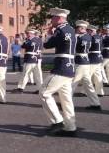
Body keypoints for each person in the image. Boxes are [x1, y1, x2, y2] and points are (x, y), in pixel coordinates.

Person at [39, 8, 77, 137]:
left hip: (61, 67)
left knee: (44, 92)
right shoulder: (71, 29)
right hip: (70, 67)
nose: (51, 20)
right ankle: (70, 127)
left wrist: (49, 33)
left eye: (53, 18)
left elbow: (47, 45)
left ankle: (57, 121)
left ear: (59, 18)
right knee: (66, 99)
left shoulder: (60, 30)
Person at [72, 20, 101, 110]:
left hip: (80, 61)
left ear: (80, 28)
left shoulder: (79, 37)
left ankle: (64, 102)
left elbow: (73, 44)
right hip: (86, 61)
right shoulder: (88, 37)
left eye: (76, 29)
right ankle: (96, 103)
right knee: (88, 84)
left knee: (72, 82)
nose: (75, 30)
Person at [12, 28, 42, 94]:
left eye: (28, 33)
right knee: (38, 76)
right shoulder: (38, 40)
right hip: (36, 59)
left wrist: (23, 40)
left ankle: (20, 88)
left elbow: (23, 46)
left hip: (29, 59)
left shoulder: (29, 40)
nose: (27, 35)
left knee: (25, 74)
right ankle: (40, 89)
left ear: (31, 34)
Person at [86, 25, 105, 97]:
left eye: (88, 30)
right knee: (98, 76)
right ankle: (100, 91)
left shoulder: (91, 38)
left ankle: (85, 91)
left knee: (88, 75)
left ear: (91, 31)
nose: (87, 32)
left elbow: (87, 47)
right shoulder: (99, 37)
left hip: (92, 58)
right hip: (99, 57)